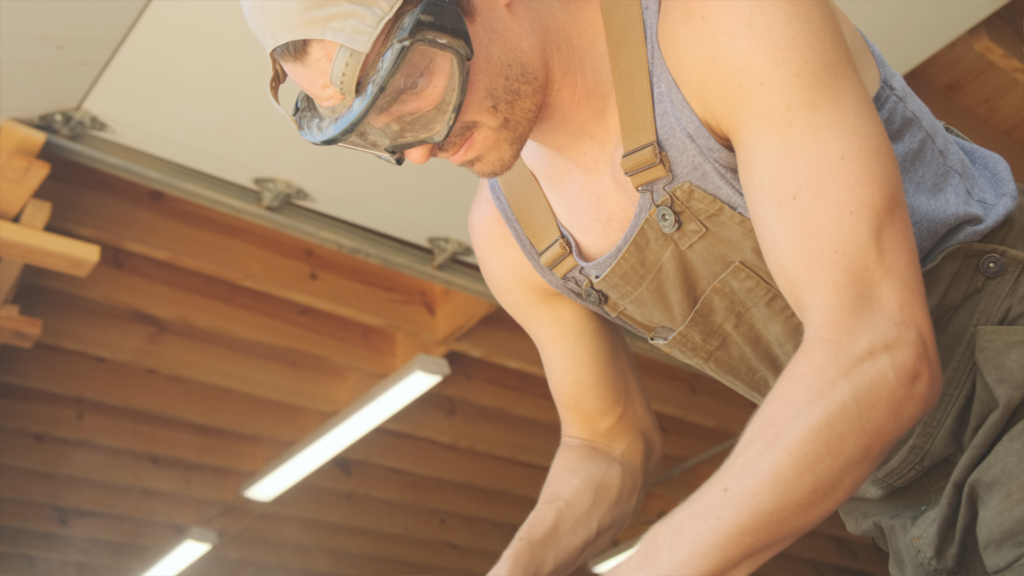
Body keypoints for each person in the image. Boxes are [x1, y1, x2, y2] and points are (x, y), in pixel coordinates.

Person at [240, 0, 1023, 574]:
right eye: (373, 131)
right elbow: (605, 442)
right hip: (905, 510)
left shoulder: (720, 26)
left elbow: (879, 350)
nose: (415, 149)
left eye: (410, 83)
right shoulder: (511, 229)